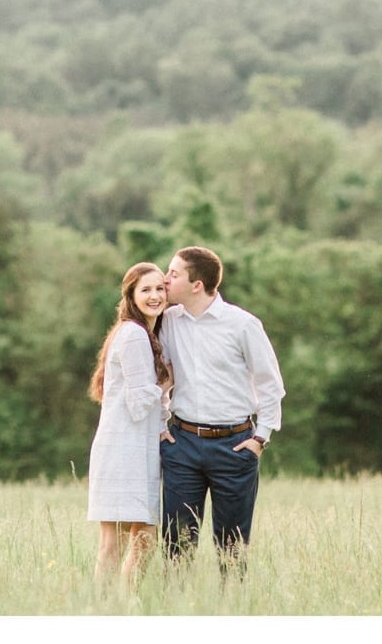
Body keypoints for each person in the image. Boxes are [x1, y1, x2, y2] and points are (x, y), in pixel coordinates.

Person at [158, 245, 284, 575]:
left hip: (235, 445)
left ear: (196, 284)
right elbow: (159, 375)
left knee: (232, 547)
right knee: (176, 544)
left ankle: (232, 610)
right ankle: (176, 612)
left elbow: (270, 383)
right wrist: (160, 424)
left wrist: (261, 438)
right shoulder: (168, 321)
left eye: (173, 274)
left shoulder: (243, 325)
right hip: (182, 444)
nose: (164, 279)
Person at [86, 261, 173, 585]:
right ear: (131, 296)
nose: (154, 296)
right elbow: (138, 405)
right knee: (114, 545)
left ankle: (125, 604)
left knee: (146, 538)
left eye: (159, 289)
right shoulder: (134, 335)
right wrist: (167, 382)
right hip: (123, 451)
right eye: (145, 290)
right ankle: (104, 612)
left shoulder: (145, 334)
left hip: (138, 451)